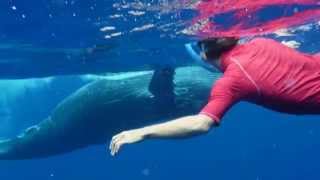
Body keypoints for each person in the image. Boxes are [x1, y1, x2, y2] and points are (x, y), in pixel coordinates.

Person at [109, 37, 320, 156]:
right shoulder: (261, 42)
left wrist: (143, 133)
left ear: (203, 55)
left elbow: (200, 124)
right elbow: (288, 51)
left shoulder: (232, 81)